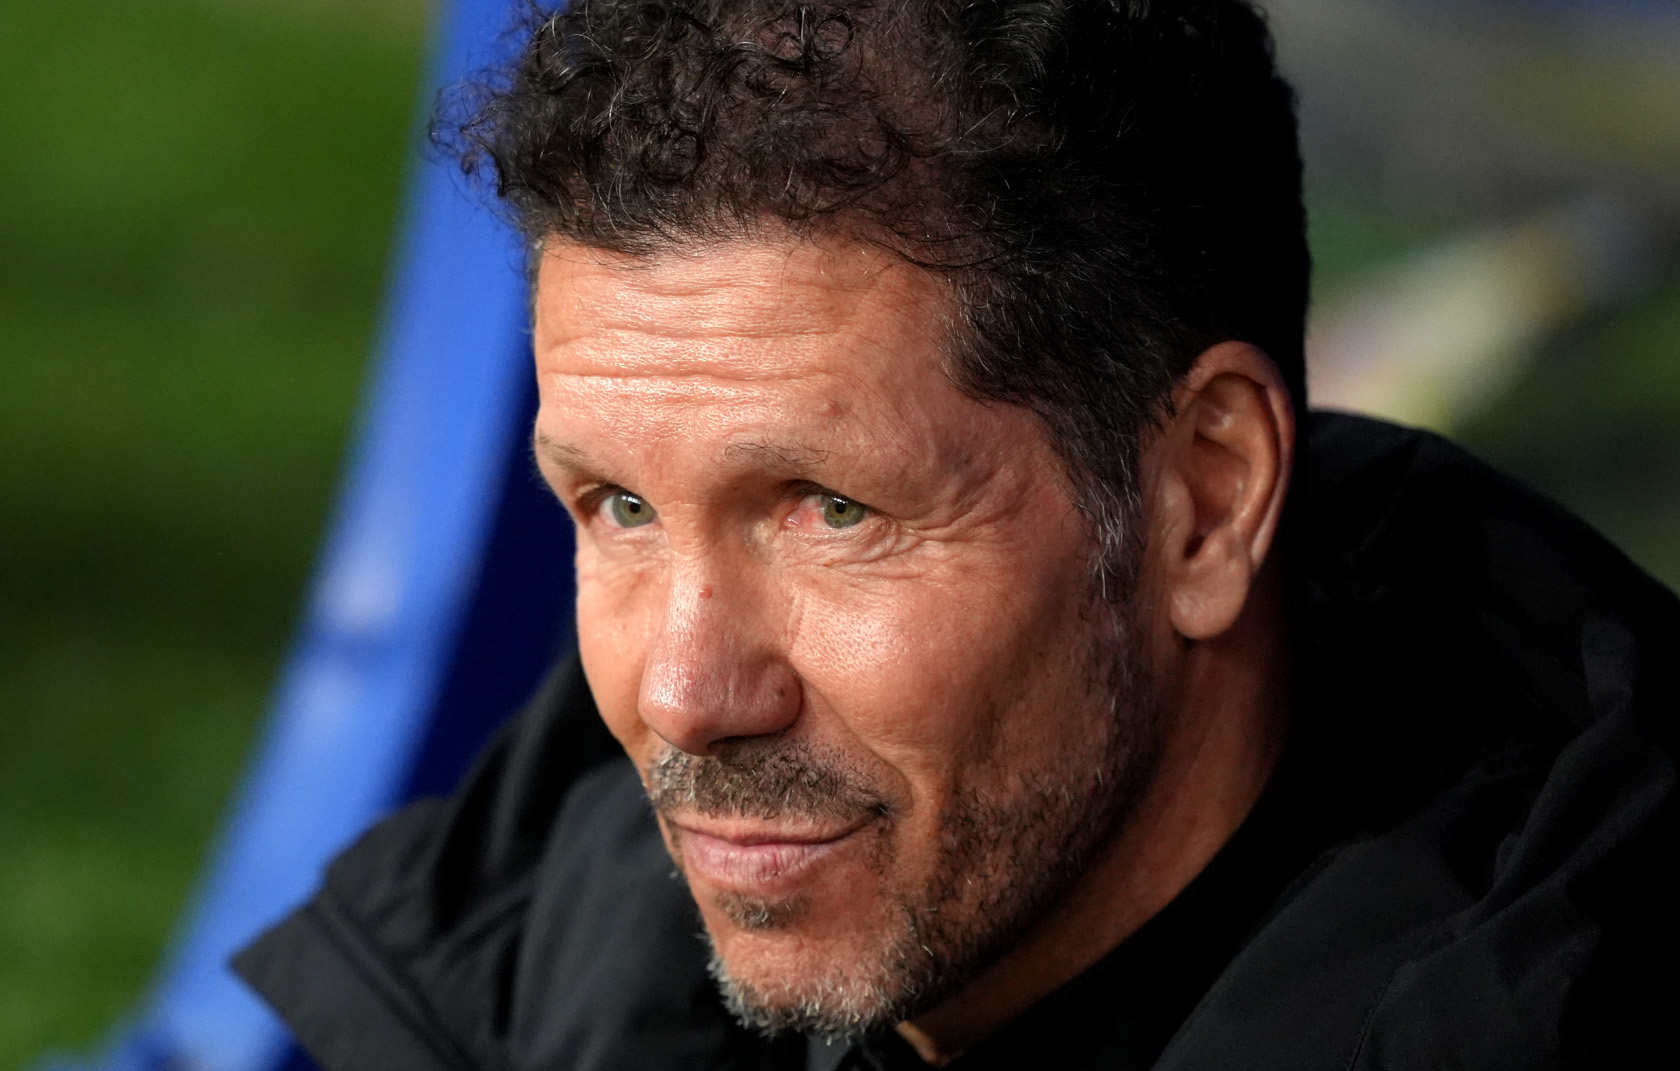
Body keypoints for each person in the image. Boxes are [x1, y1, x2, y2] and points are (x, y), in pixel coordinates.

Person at [233, 1, 1678, 1067]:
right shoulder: (568, 920)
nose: (681, 691)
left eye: (830, 509)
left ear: (1202, 502)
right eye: (620, 507)